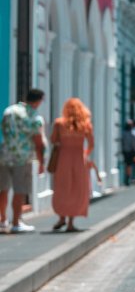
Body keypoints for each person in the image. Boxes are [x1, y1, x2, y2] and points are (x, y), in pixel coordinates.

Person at [0, 88, 46, 234]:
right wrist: (41, 162)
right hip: (22, 157)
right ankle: (16, 222)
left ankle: (2, 220)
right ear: (38, 101)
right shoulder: (34, 117)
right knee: (20, 190)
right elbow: (38, 142)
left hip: (4, 155)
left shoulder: (9, 111)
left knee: (3, 189)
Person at [49, 98, 94, 232]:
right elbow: (91, 144)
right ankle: (70, 222)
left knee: (62, 187)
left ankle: (62, 217)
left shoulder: (59, 123)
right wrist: (85, 153)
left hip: (63, 158)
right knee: (77, 188)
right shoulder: (86, 124)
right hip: (79, 159)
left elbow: (53, 140)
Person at [121, 120, 135, 186]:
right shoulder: (134, 133)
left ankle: (128, 178)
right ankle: (129, 178)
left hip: (127, 151)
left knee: (128, 165)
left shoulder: (124, 133)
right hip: (131, 152)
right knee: (130, 165)